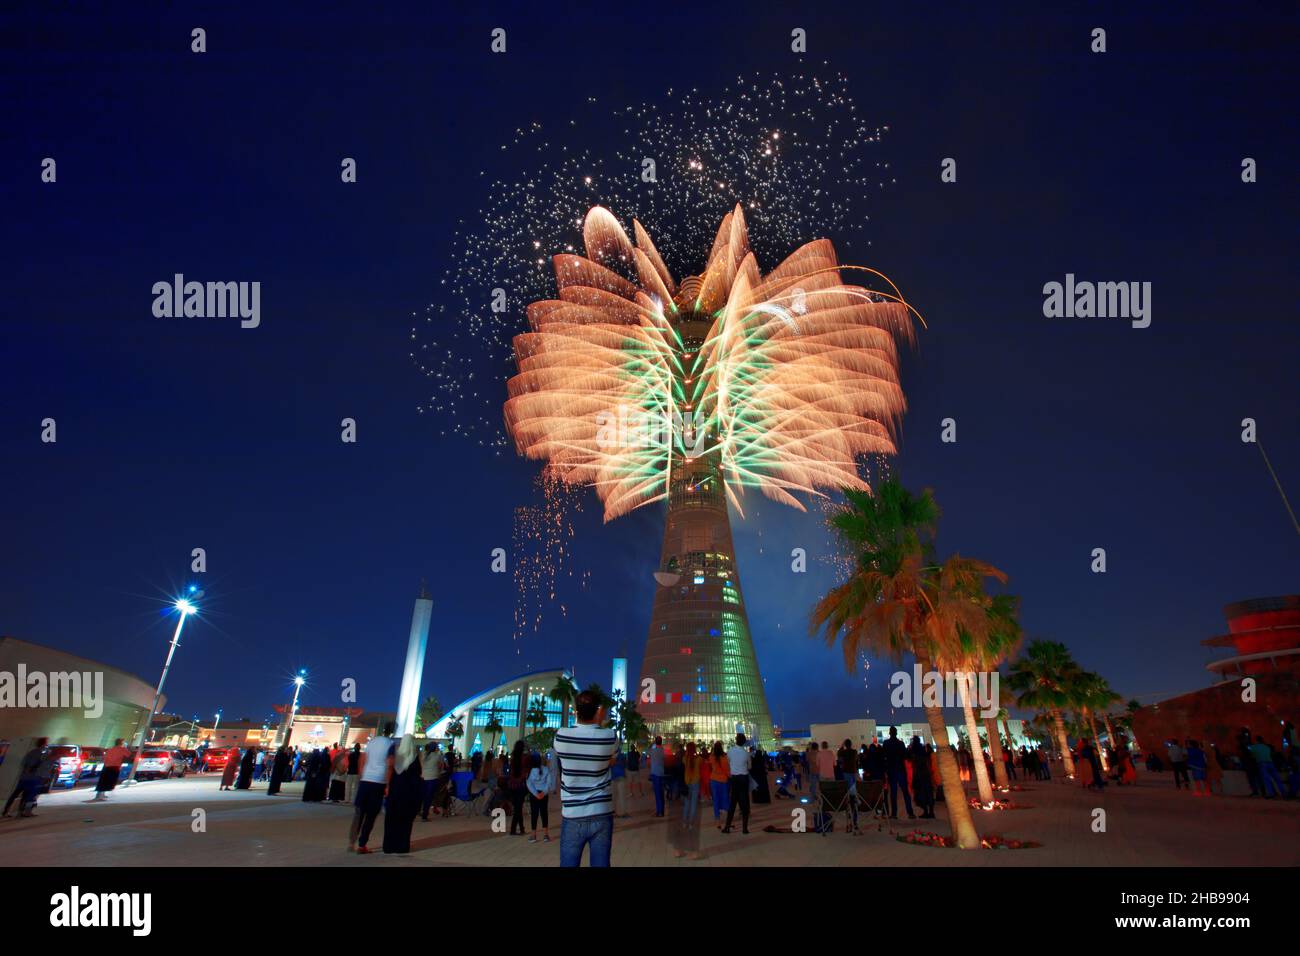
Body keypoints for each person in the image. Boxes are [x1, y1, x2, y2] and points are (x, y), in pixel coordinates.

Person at [554, 690, 618, 867]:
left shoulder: (561, 736)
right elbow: (612, 759)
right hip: (601, 812)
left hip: (573, 814)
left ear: (575, 711)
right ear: (599, 710)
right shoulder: (610, 736)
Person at [348, 722, 396, 854]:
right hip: (378, 782)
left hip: (365, 781)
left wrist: (362, 775)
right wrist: (388, 785)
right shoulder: (391, 744)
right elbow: (390, 765)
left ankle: (351, 842)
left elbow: (362, 759)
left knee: (359, 813)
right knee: (371, 815)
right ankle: (362, 844)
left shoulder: (372, 742)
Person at [382, 734, 423, 854]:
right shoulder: (414, 758)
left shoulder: (397, 756)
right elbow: (418, 776)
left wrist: (387, 787)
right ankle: (402, 846)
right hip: (409, 794)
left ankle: (389, 846)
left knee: (391, 820)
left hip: (395, 793)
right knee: (405, 821)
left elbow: (389, 770)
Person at [670, 741, 704, 860]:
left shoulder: (685, 758)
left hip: (687, 783)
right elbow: (701, 765)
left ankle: (685, 820)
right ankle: (691, 822)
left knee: (687, 804)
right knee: (693, 803)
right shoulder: (698, 759)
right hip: (695, 783)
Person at [4, 738, 53, 818]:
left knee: (14, 795)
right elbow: (43, 766)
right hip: (32, 778)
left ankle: (6, 811)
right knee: (26, 795)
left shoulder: (30, 752)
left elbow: (23, 763)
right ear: (43, 744)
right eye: (46, 743)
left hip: (23, 777)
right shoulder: (42, 754)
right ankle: (21, 812)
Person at [721, 733, 752, 834]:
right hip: (743, 778)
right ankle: (744, 828)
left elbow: (729, 763)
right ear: (744, 742)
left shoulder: (730, 752)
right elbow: (750, 767)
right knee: (745, 804)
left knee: (733, 803)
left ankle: (727, 827)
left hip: (734, 779)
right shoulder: (746, 753)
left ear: (736, 740)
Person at [881, 726, 915, 819]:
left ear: (889, 733)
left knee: (893, 793)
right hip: (900, 769)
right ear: (896, 733)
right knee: (905, 792)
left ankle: (894, 813)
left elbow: (884, 757)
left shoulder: (886, 743)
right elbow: (905, 755)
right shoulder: (900, 743)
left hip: (892, 770)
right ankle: (910, 812)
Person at [526, 752, 553, 843]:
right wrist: (543, 793)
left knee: (534, 814)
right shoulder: (546, 769)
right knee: (544, 813)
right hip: (543, 795)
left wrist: (535, 794)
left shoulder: (530, 771)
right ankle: (546, 835)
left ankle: (533, 835)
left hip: (534, 795)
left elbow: (529, 783)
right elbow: (549, 783)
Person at [909, 736, 935, 818]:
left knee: (921, 793)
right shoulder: (922, 749)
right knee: (928, 793)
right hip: (925, 774)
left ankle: (926, 812)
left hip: (919, 774)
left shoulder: (915, 750)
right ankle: (930, 812)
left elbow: (911, 759)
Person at [507, 739, 529, 836]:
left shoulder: (513, 758)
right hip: (521, 785)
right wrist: (528, 748)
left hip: (512, 785)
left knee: (518, 807)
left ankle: (522, 828)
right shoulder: (524, 758)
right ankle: (513, 829)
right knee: (518, 808)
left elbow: (510, 772)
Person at [418, 742, 444, 819]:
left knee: (422, 796)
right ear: (434, 748)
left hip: (423, 778)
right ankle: (424, 815)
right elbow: (441, 766)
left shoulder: (423, 755)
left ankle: (419, 810)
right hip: (433, 778)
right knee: (429, 797)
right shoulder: (437, 756)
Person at [708, 741, 730, 824]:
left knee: (715, 798)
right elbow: (727, 769)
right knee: (725, 797)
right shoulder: (724, 757)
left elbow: (710, 766)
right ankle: (727, 813)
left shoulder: (712, 757)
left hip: (714, 780)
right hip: (723, 780)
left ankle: (717, 816)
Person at [648, 736, 666, 817]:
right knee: (661, 793)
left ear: (656, 742)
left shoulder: (653, 751)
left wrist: (652, 743)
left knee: (657, 793)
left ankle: (659, 812)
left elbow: (647, 750)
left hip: (655, 774)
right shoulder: (662, 750)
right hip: (661, 773)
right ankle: (662, 810)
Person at [611, 747, 629, 818]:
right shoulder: (622, 755)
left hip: (613, 776)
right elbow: (625, 765)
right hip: (621, 776)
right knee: (622, 796)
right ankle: (623, 812)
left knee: (613, 796)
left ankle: (613, 811)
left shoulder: (610, 756)